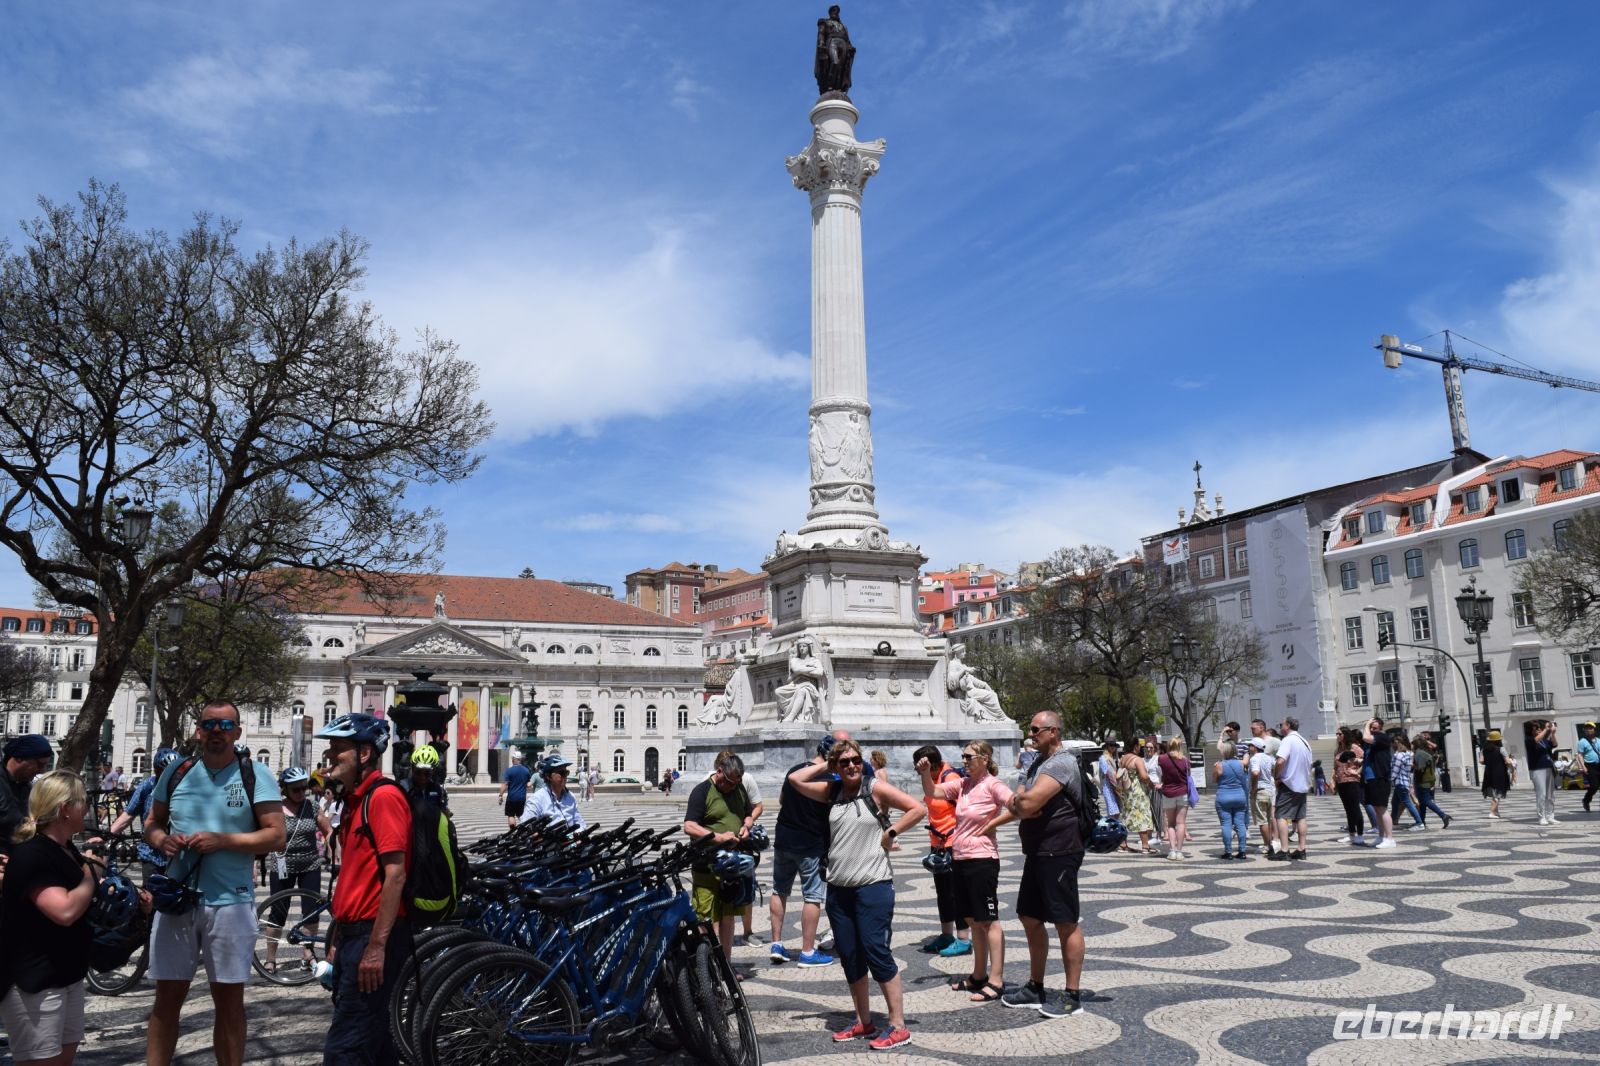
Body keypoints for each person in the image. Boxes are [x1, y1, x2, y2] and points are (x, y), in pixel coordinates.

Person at [144, 702, 285, 1066]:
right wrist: (162, 841)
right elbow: (152, 823)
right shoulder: (177, 771)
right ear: (198, 731)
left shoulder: (255, 773)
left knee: (228, 1002)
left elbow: (275, 835)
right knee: (166, 999)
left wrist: (224, 841)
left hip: (231, 903)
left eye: (226, 724)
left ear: (238, 732)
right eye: (209, 724)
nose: (217, 730)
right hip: (176, 901)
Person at [788, 739, 925, 1050]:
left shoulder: (874, 787)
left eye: (855, 760)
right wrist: (830, 762)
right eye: (844, 762)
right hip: (839, 889)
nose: (851, 766)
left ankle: (898, 1025)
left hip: (873, 885)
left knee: (877, 952)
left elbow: (918, 808)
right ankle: (864, 1021)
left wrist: (891, 832)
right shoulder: (832, 792)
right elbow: (795, 780)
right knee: (850, 957)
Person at [2, 770, 130, 1066]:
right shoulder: (33, 854)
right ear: (64, 809)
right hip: (34, 981)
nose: (87, 807)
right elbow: (65, 910)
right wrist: (94, 870)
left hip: (66, 974)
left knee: (63, 1057)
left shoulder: (66, 850)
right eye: (82, 801)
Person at [318, 713, 413, 1065]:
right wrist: (338, 941)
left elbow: (396, 875)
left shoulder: (384, 798)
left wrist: (375, 948)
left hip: (372, 938)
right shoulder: (356, 800)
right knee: (375, 1045)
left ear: (363, 754)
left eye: (338, 748)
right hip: (352, 938)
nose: (330, 755)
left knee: (345, 1050)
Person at [1000, 711, 1086, 1018]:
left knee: (1065, 921)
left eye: (1036, 729)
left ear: (1053, 732)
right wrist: (1020, 803)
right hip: (1037, 851)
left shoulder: (1062, 763)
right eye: (1030, 728)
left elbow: (1028, 803)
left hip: (1060, 851)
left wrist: (1022, 803)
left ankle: (1072, 994)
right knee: (1029, 915)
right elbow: (1018, 802)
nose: (1031, 733)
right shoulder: (1037, 762)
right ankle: (1036, 986)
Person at [918, 740, 1013, 1003]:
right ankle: (978, 974)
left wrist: (992, 824)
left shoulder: (993, 784)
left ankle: (996, 979)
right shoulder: (964, 784)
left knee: (989, 920)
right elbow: (933, 792)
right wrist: (925, 773)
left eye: (969, 757)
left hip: (982, 860)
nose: (965, 761)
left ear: (984, 759)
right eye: (963, 756)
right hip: (960, 858)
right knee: (972, 921)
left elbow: (1016, 805)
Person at [683, 753, 757, 968]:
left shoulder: (738, 788)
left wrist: (746, 826)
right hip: (706, 865)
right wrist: (717, 837)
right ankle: (705, 967)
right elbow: (689, 826)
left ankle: (725, 966)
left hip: (732, 867)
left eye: (736, 784)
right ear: (719, 773)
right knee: (705, 919)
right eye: (729, 783)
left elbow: (749, 814)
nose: (732, 788)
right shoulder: (702, 791)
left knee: (728, 916)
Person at [768, 736, 836, 968]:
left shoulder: (796, 769)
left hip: (784, 839)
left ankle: (776, 944)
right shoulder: (829, 778)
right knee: (813, 896)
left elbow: (781, 799)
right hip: (810, 844)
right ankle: (807, 952)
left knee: (779, 890)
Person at [260, 767, 333, 975]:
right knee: (277, 912)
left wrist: (332, 847)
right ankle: (271, 958)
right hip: (282, 865)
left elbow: (327, 829)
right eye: (296, 789)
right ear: (284, 790)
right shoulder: (276, 810)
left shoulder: (311, 806)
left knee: (311, 911)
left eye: (303, 787)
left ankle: (308, 955)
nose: (301, 792)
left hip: (309, 864)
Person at [912, 745, 970, 957]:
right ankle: (946, 934)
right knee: (943, 892)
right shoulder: (931, 777)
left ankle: (963, 938)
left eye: (922, 768)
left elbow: (964, 810)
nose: (919, 772)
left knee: (956, 892)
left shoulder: (950, 777)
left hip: (953, 842)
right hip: (937, 842)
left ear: (934, 765)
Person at [110, 748, 181, 884]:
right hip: (151, 855)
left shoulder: (185, 788)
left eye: (173, 771)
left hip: (177, 858)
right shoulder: (147, 786)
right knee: (151, 897)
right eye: (164, 772)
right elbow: (128, 814)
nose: (169, 776)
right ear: (156, 770)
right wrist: (108, 835)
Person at [0, 735, 54, 858]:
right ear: (19, 758)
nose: (42, 771)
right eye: (40, 764)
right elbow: (11, 819)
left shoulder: (26, 787)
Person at [1272, 716, 1315, 860]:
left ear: (1288, 725)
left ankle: (1284, 850)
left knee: (1281, 815)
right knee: (1300, 817)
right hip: (1302, 784)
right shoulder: (1305, 742)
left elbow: (1280, 761)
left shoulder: (1288, 740)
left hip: (1289, 784)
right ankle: (1302, 848)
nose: (1280, 727)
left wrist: (1277, 777)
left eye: (1281, 724)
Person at [1360, 718, 1396, 848]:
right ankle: (1381, 836)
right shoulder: (1370, 742)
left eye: (1374, 728)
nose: (1371, 730)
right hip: (1371, 778)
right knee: (1377, 809)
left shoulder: (1382, 737)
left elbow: (1365, 737)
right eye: (1371, 728)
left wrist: (1367, 723)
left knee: (1382, 808)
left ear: (1380, 728)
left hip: (1381, 777)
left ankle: (1390, 838)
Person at [522, 755, 584, 828]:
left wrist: (579, 832)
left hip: (571, 838)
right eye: (561, 773)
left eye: (566, 773)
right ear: (548, 776)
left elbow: (578, 821)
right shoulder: (537, 799)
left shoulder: (570, 796)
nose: (565, 776)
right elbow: (526, 826)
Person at [1212, 742, 1249, 860]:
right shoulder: (1241, 764)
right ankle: (1242, 851)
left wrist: (1215, 768)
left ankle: (1228, 852)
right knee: (1240, 824)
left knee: (1226, 824)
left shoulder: (1220, 765)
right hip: (1240, 796)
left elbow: (1215, 780)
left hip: (1224, 797)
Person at [1117, 746, 1156, 853]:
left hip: (1126, 791)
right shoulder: (1137, 759)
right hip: (1137, 791)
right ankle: (1145, 846)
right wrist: (1151, 783)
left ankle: (1123, 844)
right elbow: (1144, 776)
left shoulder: (1123, 759)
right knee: (1141, 815)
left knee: (1126, 816)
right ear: (1135, 747)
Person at [1156, 738, 1190, 860]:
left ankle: (1172, 851)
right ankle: (1180, 852)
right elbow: (1188, 775)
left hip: (1168, 792)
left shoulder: (1162, 758)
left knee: (1170, 824)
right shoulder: (1185, 760)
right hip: (1182, 793)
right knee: (1181, 823)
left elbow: (1159, 773)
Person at [1332, 729, 1366, 844]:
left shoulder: (1354, 747)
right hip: (1341, 782)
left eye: (1339, 734)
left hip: (1352, 781)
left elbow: (1366, 760)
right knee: (1348, 809)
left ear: (1345, 735)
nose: (1337, 736)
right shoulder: (1338, 750)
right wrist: (1333, 780)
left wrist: (1358, 772)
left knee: (1355, 808)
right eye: (1336, 734)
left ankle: (1360, 835)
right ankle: (1352, 834)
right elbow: (1335, 767)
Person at [1248, 737, 1280, 853]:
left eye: (1250, 745)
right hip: (1270, 791)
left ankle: (1267, 846)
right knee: (1269, 819)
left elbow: (1255, 773)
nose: (1248, 748)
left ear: (1255, 747)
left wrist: (1254, 787)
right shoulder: (1269, 758)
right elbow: (1276, 768)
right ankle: (1271, 842)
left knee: (1262, 821)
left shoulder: (1254, 759)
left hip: (1260, 791)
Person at [1413, 735, 1452, 829]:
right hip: (1428, 780)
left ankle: (1443, 815)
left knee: (1426, 801)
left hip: (1423, 781)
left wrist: (1411, 765)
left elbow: (1420, 768)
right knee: (1422, 803)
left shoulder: (1419, 753)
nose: (1412, 746)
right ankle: (1422, 822)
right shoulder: (1426, 753)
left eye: (1413, 744)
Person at [1526, 720, 1559, 826]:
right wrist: (1546, 729)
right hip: (1537, 769)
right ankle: (1541, 817)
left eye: (1540, 728)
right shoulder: (1529, 740)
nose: (1539, 729)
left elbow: (1554, 744)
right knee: (1542, 794)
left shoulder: (1544, 740)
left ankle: (1550, 816)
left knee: (1550, 794)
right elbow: (1536, 739)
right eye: (1536, 728)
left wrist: (1552, 733)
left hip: (1548, 767)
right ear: (1531, 731)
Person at [400, 744, 449, 810]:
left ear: (434, 771)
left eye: (427, 773)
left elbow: (443, 813)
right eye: (418, 772)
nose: (422, 777)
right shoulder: (403, 788)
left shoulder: (438, 790)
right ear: (413, 768)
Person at [1481, 730, 1514, 819]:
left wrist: (1490, 762)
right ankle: (1492, 812)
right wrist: (1511, 765)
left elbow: (1481, 761)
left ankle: (1496, 812)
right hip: (1500, 772)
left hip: (1488, 772)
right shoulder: (1501, 749)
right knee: (1497, 793)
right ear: (1498, 740)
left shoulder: (1484, 749)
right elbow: (1507, 761)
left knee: (1494, 792)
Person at [497, 750, 531, 828]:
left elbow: (505, 785)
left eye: (512, 758)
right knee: (521, 815)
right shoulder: (526, 771)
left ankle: (513, 831)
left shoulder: (509, 771)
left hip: (511, 798)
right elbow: (528, 784)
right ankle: (526, 829)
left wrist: (500, 795)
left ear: (514, 759)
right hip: (522, 798)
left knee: (511, 815)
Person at [1096, 741, 1122, 824]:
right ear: (1107, 746)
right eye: (1111, 745)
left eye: (1114, 745)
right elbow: (1107, 773)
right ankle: (1113, 827)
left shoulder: (1115, 758)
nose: (1113, 747)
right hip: (1108, 786)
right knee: (1112, 810)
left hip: (1115, 785)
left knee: (1117, 809)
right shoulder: (1103, 758)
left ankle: (1116, 826)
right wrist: (1115, 785)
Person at [1579, 722, 1600, 812]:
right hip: (1590, 766)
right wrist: (1583, 766)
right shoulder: (1582, 741)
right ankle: (1586, 800)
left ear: (1594, 730)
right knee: (1594, 786)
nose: (1589, 730)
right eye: (1587, 728)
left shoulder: (1599, 740)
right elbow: (1580, 755)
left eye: (1591, 728)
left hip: (1599, 765)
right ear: (1584, 730)